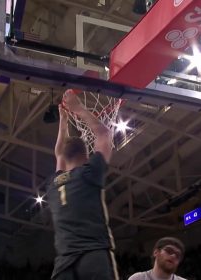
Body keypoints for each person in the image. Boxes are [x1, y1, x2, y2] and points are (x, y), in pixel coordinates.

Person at [46, 89, 119, 280]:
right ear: (87, 157)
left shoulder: (54, 185)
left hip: (64, 264)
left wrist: (63, 122)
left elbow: (59, 154)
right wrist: (78, 108)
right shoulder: (89, 173)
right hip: (93, 256)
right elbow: (103, 135)